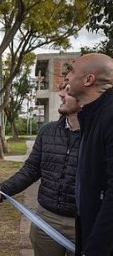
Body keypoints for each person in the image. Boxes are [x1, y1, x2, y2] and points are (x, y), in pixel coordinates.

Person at [0, 84, 81, 256]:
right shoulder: (47, 131)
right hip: (46, 220)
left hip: (84, 223)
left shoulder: (99, 133)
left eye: (68, 90)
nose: (61, 94)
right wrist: (4, 190)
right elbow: (32, 169)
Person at [65, 53, 113, 256]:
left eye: (73, 72)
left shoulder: (109, 116)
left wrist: (95, 249)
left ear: (88, 80)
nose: (67, 79)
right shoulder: (92, 115)